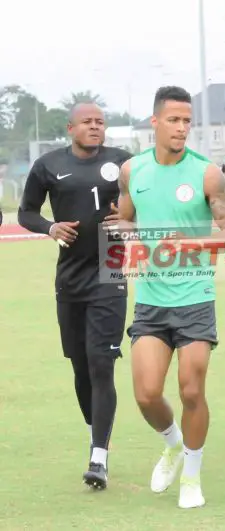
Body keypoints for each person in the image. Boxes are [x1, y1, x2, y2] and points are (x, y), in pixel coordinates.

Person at [118, 86, 225, 509]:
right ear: (154, 122)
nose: (182, 128)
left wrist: (189, 243)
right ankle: (172, 444)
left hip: (194, 295)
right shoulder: (132, 171)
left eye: (187, 121)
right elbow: (124, 221)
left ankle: (192, 475)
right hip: (151, 298)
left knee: (191, 391)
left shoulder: (207, 174)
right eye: (174, 120)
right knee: (146, 394)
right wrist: (131, 238)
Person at [18, 102, 131, 490]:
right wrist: (50, 228)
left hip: (111, 267)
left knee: (102, 363)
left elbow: (147, 199)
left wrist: (129, 220)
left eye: (100, 121)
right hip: (69, 276)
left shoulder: (124, 162)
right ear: (71, 128)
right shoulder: (48, 165)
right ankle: (95, 434)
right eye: (87, 122)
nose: (95, 127)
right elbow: (26, 213)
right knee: (81, 367)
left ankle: (98, 457)